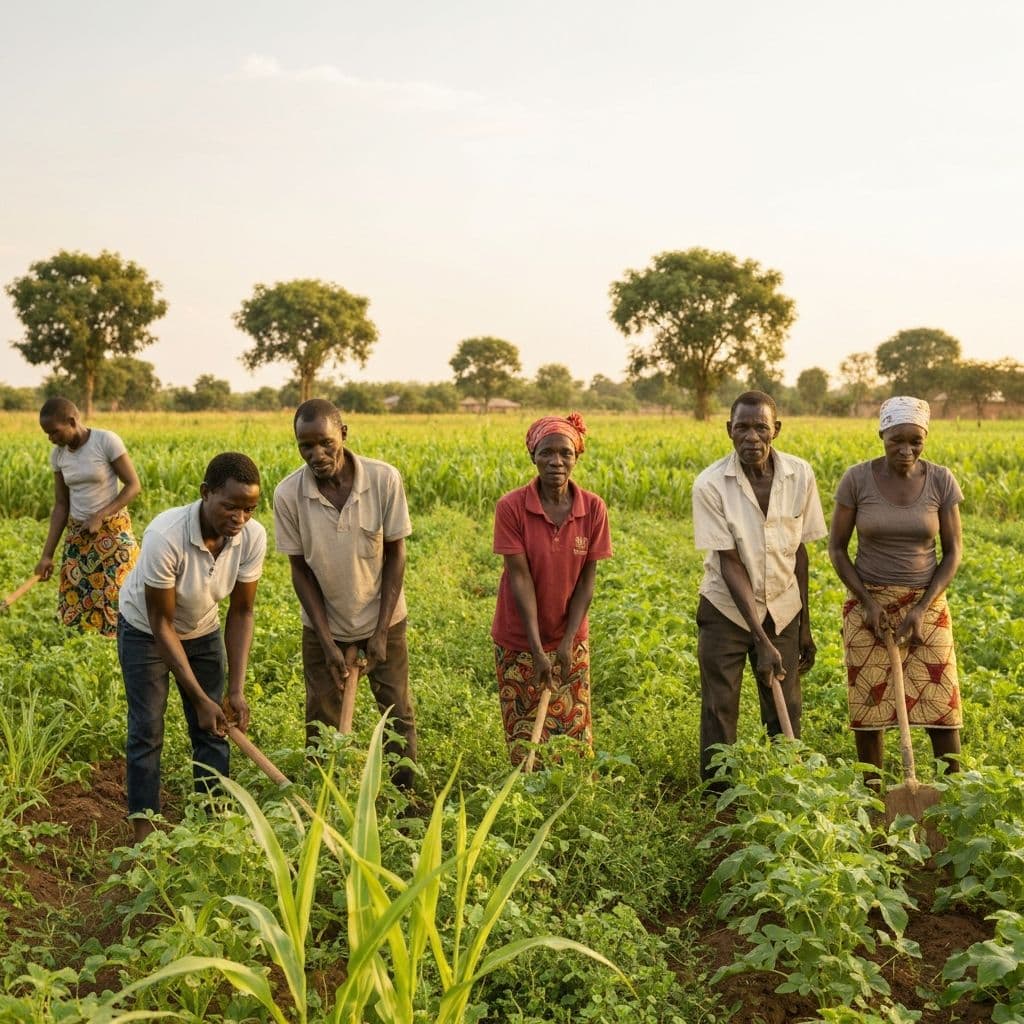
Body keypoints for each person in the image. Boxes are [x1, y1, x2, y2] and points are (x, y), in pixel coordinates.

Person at [116, 452, 266, 843]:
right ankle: (145, 831)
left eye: (249, 509)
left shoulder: (251, 537)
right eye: (231, 506)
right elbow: (161, 624)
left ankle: (213, 822)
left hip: (202, 628)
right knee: (147, 728)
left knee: (215, 727)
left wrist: (235, 690)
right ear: (205, 493)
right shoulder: (166, 535)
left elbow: (242, 611)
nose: (240, 518)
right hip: (146, 631)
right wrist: (199, 698)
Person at [273, 399, 417, 788]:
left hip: (383, 618)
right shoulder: (288, 494)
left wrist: (381, 632)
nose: (317, 455)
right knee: (321, 718)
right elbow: (300, 570)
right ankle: (324, 798)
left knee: (397, 714)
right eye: (305, 446)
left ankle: (405, 802)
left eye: (325, 443)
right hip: (323, 624)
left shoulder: (384, 479)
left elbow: (396, 555)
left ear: (344, 434)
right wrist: (326, 641)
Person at [692, 391, 827, 786]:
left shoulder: (800, 475)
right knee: (720, 706)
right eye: (742, 428)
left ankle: (786, 788)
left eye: (761, 427)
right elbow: (730, 563)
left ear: (776, 430)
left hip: (783, 608)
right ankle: (718, 796)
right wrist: (760, 638)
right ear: (729, 430)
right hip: (726, 611)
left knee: (787, 706)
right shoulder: (710, 484)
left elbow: (799, 553)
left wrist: (804, 626)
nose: (752, 437)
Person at [828, 396, 963, 786]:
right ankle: (874, 796)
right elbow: (837, 549)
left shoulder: (940, 480)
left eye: (915, 441)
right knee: (869, 707)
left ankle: (953, 794)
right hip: (868, 602)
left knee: (942, 705)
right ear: (881, 435)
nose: (906, 450)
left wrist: (921, 608)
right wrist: (868, 603)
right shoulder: (856, 479)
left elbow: (954, 551)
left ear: (925, 438)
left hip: (927, 603)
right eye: (896, 440)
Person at [491, 412, 613, 765]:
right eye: (546, 452)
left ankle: (571, 792)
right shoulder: (511, 507)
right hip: (519, 638)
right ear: (533, 455)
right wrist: (535, 648)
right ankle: (524, 792)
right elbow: (519, 578)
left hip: (569, 638)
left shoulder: (593, 508)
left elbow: (586, 580)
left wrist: (566, 641)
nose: (556, 461)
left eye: (565, 453)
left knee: (573, 730)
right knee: (524, 731)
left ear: (576, 457)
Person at [35, 396, 141, 637]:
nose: (51, 439)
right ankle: (84, 644)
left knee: (118, 593)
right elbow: (61, 505)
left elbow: (133, 485)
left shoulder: (105, 441)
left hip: (112, 530)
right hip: (80, 534)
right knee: (79, 596)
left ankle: (123, 643)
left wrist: (100, 516)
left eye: (54, 432)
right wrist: (46, 556)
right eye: (47, 434)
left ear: (72, 421)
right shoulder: (59, 455)